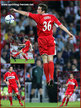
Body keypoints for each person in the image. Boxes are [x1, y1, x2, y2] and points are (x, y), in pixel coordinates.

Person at [10, 3, 74, 86]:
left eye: (39, 9)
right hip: (50, 39)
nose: (37, 10)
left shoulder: (38, 17)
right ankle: (52, 78)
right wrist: (69, 33)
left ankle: (47, 80)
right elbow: (61, 26)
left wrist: (16, 11)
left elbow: (26, 13)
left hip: (42, 40)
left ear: (43, 11)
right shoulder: (52, 17)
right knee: (50, 59)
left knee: (45, 60)